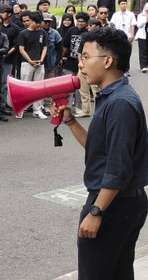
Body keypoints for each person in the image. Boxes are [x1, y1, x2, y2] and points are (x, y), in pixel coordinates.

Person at [50, 28, 148, 279]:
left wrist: (96, 211)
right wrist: (71, 121)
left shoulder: (119, 104)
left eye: (85, 57)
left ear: (107, 61)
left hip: (113, 206)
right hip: (123, 203)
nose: (80, 64)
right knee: (117, 272)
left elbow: (118, 167)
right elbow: (99, 149)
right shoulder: (113, 96)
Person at [17, 11, 48, 119]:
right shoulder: (23, 33)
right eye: (36, 22)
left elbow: (45, 47)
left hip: (40, 63)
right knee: (25, 87)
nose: (38, 24)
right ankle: (21, 109)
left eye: (39, 22)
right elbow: (21, 49)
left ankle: (37, 109)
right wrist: (30, 60)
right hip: (26, 63)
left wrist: (42, 59)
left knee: (39, 88)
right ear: (31, 20)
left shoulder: (42, 33)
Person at [137, 2, 148, 73]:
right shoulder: (141, 16)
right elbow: (139, 25)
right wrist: (146, 20)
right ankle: (143, 66)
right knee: (143, 50)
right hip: (142, 35)